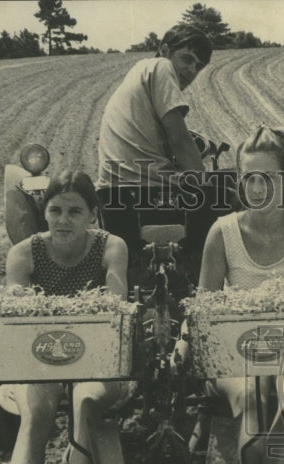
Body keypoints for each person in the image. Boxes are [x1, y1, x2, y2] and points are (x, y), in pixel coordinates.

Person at [187, 126, 284, 464]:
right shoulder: (222, 233)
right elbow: (205, 311)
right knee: (251, 396)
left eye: (267, 178)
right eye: (249, 178)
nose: (256, 189)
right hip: (236, 356)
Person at [0, 170, 129, 464]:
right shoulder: (24, 253)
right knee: (35, 412)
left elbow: (114, 301)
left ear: (93, 215)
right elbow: (17, 309)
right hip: (43, 358)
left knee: (85, 400)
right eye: (55, 210)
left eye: (74, 211)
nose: (63, 220)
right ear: (43, 213)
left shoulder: (110, 247)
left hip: (97, 357)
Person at [95, 24, 222, 285]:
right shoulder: (160, 66)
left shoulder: (137, 76)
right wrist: (204, 180)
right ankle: (206, 287)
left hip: (111, 193)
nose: (192, 70)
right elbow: (178, 136)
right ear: (164, 50)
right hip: (145, 186)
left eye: (198, 66)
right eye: (187, 58)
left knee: (129, 273)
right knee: (228, 190)